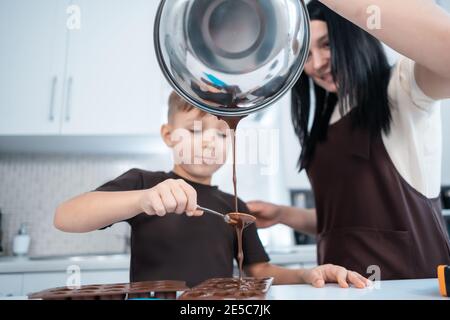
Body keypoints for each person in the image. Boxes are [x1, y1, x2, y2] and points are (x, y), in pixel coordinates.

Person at [54, 91, 370, 288]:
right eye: (194, 130)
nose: (208, 141)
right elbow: (65, 217)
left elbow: (257, 269)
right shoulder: (145, 183)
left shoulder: (234, 205)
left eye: (221, 135)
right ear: (168, 135)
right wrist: (142, 199)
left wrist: (305, 275)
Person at [248, 0, 450, 280]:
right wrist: (282, 214)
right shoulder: (325, 120)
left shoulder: (400, 90)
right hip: (339, 287)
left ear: (355, 36)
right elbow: (345, 222)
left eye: (327, 44)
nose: (316, 64)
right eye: (305, 55)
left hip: (408, 284)